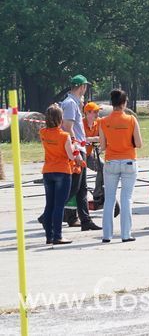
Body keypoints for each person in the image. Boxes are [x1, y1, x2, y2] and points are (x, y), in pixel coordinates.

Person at [100, 89, 142, 243]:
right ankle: (125, 234)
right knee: (127, 199)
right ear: (124, 103)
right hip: (129, 161)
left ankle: (107, 235)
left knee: (109, 199)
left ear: (112, 103)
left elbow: (103, 146)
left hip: (111, 161)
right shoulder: (131, 120)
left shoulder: (103, 121)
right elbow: (138, 143)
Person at [61, 74, 101, 231]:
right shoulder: (70, 103)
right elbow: (68, 127)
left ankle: (85, 220)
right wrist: (75, 148)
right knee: (74, 187)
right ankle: (48, 215)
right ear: (82, 87)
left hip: (80, 147)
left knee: (82, 187)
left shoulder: (73, 103)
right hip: (77, 148)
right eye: (85, 87)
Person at [39, 104, 78, 245]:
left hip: (48, 170)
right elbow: (71, 155)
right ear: (60, 119)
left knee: (49, 204)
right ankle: (58, 235)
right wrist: (75, 146)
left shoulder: (43, 133)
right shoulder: (64, 135)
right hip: (62, 170)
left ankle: (49, 236)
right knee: (59, 205)